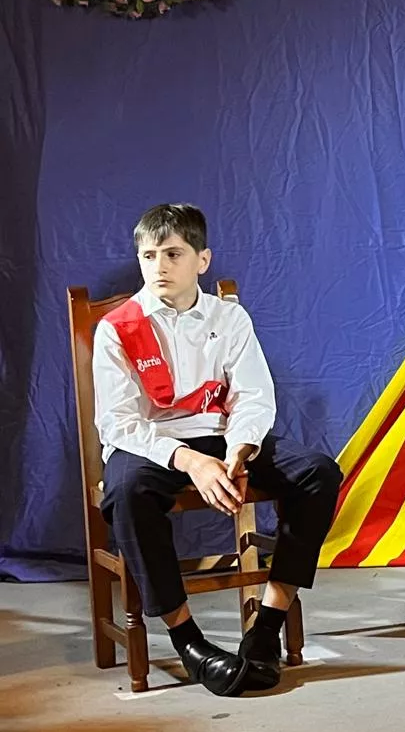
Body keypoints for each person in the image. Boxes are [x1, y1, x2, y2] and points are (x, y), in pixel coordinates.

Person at [93, 203, 340, 696]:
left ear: (201, 260)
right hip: (153, 445)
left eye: (172, 254)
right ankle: (189, 643)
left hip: (223, 437)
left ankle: (267, 626)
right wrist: (190, 461)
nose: (159, 267)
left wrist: (239, 452)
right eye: (148, 256)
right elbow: (117, 422)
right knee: (125, 492)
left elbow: (253, 394)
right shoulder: (117, 328)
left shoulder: (229, 316)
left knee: (318, 472)